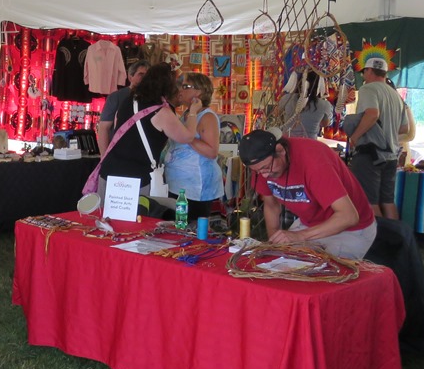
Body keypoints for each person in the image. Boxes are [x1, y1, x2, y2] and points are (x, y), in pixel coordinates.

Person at [238, 129, 376, 259]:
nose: (265, 175)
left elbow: (349, 217)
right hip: (310, 225)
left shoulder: (314, 162)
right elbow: (271, 206)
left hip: (350, 230)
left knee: (321, 274)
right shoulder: (262, 165)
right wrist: (274, 240)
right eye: (258, 172)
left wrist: (300, 236)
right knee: (282, 265)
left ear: (280, 150)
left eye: (266, 168)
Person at [98, 63, 200, 197]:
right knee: (137, 217)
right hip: (136, 176)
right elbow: (187, 137)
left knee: (107, 216)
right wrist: (193, 111)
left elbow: (118, 128)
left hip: (109, 170)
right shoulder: (162, 111)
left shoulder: (129, 101)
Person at [347, 58, 408, 220]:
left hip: (370, 154)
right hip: (391, 155)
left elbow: (372, 114)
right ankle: (395, 238)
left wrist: (355, 136)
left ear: (369, 71)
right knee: (387, 201)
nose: (363, 76)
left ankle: (379, 240)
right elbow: (404, 128)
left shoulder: (368, 89)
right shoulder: (396, 96)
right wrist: (387, 133)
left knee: (369, 201)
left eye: (364, 72)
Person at [164, 72, 224, 221]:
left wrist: (186, 135)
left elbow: (211, 152)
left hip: (196, 186)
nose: (180, 90)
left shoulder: (206, 116)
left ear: (199, 91)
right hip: (178, 184)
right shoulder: (185, 114)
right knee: (177, 226)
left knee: (190, 228)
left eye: (185, 86)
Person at [97, 60, 149, 154]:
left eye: (147, 75)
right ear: (130, 77)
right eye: (140, 74)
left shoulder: (153, 98)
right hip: (119, 151)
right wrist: (104, 157)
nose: (144, 77)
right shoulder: (116, 97)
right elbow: (104, 128)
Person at [278, 70, 332, 138]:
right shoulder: (325, 104)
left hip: (287, 142)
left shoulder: (286, 98)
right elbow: (325, 123)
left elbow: (278, 114)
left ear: (300, 82)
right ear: (319, 86)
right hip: (310, 143)